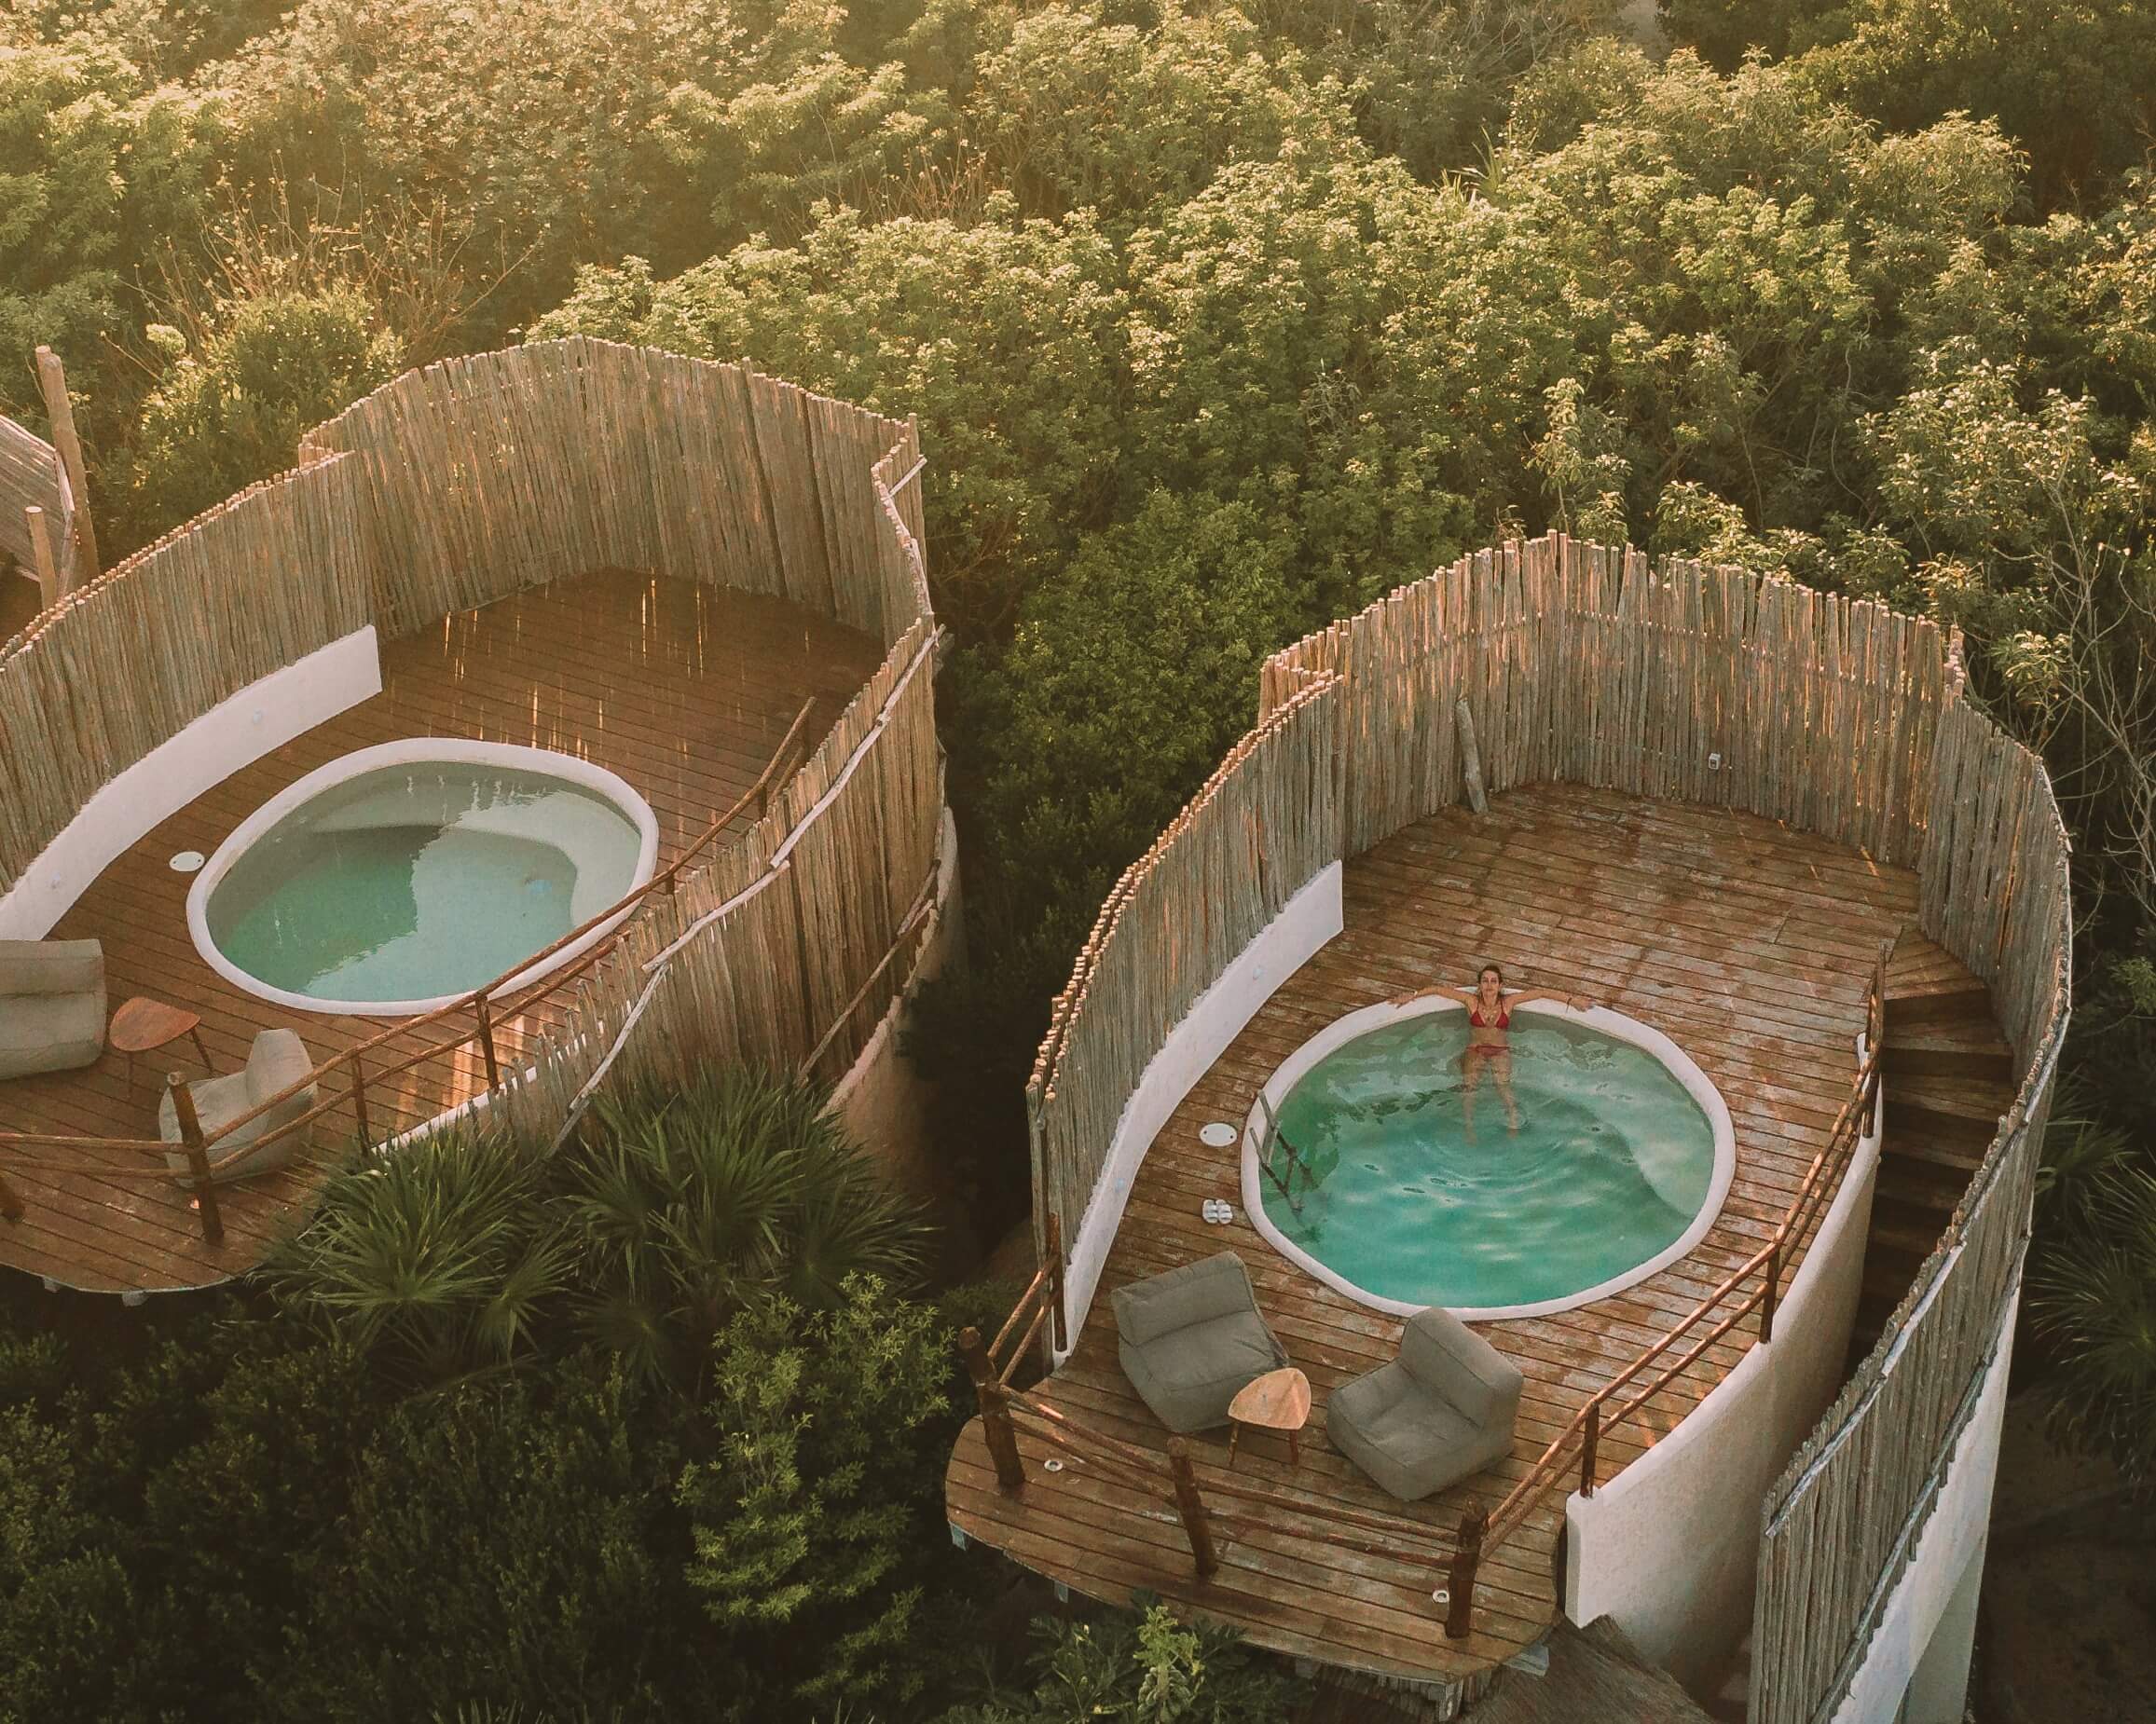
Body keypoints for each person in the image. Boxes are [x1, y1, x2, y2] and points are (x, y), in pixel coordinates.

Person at [1391, 964, 1595, 1136]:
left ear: (1500, 985)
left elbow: (1540, 993)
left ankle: (1513, 1122)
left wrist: (1571, 1000)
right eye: (1485, 981)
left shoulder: (1508, 1003)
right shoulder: (1471, 1002)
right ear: (1479, 986)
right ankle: (1469, 1126)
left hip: (1500, 1050)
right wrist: (1413, 995)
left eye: (1493, 981)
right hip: (1476, 1050)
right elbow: (1438, 990)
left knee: (1503, 1087)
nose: (1489, 985)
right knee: (1470, 1088)